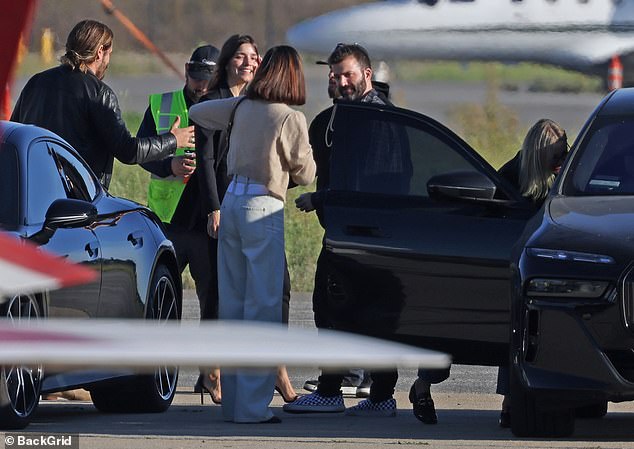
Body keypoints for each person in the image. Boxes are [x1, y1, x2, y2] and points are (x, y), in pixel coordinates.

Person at [189, 45, 316, 424]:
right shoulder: (290, 117)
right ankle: (252, 408)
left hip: (231, 202)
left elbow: (197, 111)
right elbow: (306, 173)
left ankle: (232, 404)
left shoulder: (241, 106)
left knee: (232, 305)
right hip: (264, 206)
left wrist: (233, 105)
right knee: (262, 308)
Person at [287, 43, 413, 418]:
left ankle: (369, 393)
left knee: (359, 313)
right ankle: (348, 390)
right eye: (334, 75)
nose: (340, 82)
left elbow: (374, 182)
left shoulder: (379, 120)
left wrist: (320, 198)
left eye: (347, 75)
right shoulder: (335, 119)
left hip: (368, 234)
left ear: (367, 75)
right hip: (344, 230)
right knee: (333, 311)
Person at [11, 19, 193, 188]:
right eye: (109, 54)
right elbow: (128, 150)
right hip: (78, 198)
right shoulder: (99, 93)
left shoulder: (36, 82)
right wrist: (173, 140)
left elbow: (15, 134)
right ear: (100, 52)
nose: (108, 61)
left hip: (33, 190)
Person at [136, 44, 221, 401]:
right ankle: (155, 373)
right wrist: (167, 165)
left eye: (207, 80)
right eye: (196, 77)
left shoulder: (223, 107)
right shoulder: (163, 104)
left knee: (213, 302)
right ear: (187, 71)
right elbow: (139, 149)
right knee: (161, 303)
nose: (200, 86)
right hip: (168, 221)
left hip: (205, 222)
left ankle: (209, 374)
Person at [496, 118, 567, 428]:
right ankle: (509, 399)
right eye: (556, 156)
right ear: (538, 155)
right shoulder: (511, 177)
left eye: (565, 154)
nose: (561, 162)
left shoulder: (562, 178)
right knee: (513, 335)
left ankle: (515, 399)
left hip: (542, 270)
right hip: (513, 269)